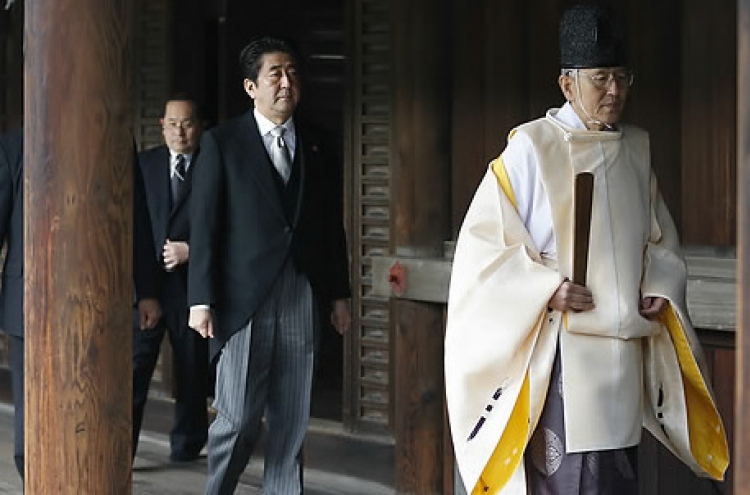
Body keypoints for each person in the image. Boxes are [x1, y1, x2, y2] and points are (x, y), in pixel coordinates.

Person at [444, 4, 729, 494]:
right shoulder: (532, 148)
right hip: (563, 349)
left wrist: (659, 285)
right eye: (601, 78)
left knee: (617, 476)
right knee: (570, 480)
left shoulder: (636, 149)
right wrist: (544, 288)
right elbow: (484, 246)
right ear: (567, 84)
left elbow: (659, 239)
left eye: (622, 77)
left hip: (624, 349)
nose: (614, 91)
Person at [188, 36, 351, 494]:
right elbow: (206, 226)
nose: (286, 82)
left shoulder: (319, 141)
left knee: (292, 417)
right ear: (250, 86)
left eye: (292, 72)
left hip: (300, 289)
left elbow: (329, 225)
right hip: (242, 298)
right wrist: (200, 299)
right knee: (237, 418)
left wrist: (339, 294)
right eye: (275, 74)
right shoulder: (222, 143)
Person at [0, 127, 161, 480]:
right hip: (27, 302)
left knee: (93, 406)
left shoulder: (114, 138)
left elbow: (137, 215)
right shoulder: (14, 145)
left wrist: (147, 289)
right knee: (33, 411)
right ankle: (35, 482)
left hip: (99, 296)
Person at [132, 95, 210, 462]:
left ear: (200, 126)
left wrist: (192, 250)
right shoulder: (144, 164)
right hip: (149, 287)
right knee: (134, 369)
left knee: (193, 370)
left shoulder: (214, 165)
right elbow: (134, 228)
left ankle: (187, 447)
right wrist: (143, 291)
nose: (180, 131)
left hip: (193, 287)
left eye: (188, 123)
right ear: (162, 125)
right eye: (173, 124)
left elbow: (229, 226)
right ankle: (123, 450)